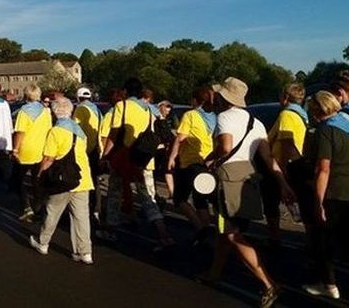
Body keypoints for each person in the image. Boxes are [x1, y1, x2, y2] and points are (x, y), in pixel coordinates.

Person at [200, 77, 294, 308]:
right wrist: (283, 184)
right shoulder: (256, 122)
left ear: (223, 97)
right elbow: (268, 158)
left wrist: (211, 160)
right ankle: (214, 272)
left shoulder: (223, 118)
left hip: (228, 180)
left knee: (231, 233)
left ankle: (268, 283)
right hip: (248, 181)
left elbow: (226, 147)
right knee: (226, 230)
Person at [100, 77, 174, 249]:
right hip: (144, 159)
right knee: (148, 197)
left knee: (115, 193)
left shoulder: (122, 106)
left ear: (125, 91)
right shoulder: (150, 109)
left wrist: (105, 155)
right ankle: (163, 234)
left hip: (124, 157)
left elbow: (114, 133)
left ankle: (110, 229)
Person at [301, 91, 349, 301]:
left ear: (316, 110)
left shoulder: (325, 130)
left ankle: (329, 285)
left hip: (334, 191)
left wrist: (318, 201)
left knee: (322, 240)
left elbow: (323, 168)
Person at [29, 97, 95, 264]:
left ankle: (43, 242)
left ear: (54, 111)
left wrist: (40, 175)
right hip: (82, 177)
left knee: (53, 211)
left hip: (62, 179)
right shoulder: (79, 131)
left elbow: (49, 158)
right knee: (81, 217)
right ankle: (84, 252)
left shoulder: (56, 131)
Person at [167, 87, 216, 245]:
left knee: (180, 198)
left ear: (195, 100)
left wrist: (172, 158)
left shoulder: (191, 115)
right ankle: (208, 230)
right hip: (207, 162)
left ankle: (201, 228)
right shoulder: (214, 117)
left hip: (189, 162)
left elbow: (180, 138)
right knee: (201, 199)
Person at [268, 83, 311, 238]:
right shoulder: (302, 115)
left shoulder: (286, 114)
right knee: (298, 203)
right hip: (298, 163)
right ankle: (312, 241)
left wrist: (283, 168)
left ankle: (275, 237)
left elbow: (286, 142)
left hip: (285, 165)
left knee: (274, 202)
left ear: (285, 97)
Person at [14, 84, 52, 222]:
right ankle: (38, 208)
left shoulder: (23, 112)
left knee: (19, 179)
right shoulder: (46, 111)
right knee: (37, 180)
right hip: (41, 149)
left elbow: (20, 132)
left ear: (26, 95)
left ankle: (26, 207)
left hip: (26, 149)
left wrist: (15, 149)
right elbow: (49, 130)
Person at [73, 87, 104, 222]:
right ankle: (97, 208)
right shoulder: (97, 110)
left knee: (83, 180)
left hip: (84, 150)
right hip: (96, 149)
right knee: (95, 180)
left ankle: (84, 209)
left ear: (78, 98)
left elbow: (75, 128)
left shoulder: (80, 109)